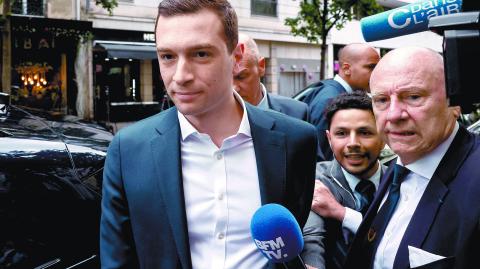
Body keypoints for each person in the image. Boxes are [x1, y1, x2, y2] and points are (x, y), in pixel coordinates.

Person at [99, 1, 318, 268]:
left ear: (236, 57)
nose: (180, 76)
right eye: (167, 56)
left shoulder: (295, 141)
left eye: (200, 54)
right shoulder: (128, 150)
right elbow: (118, 259)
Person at [344, 47, 480, 269]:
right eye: (381, 100)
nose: (394, 114)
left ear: (455, 104)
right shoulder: (397, 167)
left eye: (414, 97)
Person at [301, 92, 386, 269]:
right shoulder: (315, 180)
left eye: (364, 132)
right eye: (341, 133)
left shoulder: (398, 182)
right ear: (329, 139)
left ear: (384, 137)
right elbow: (312, 238)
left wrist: (342, 213)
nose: (353, 143)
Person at [303, 43, 380, 161]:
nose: (376, 73)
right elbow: (323, 158)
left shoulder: (330, 91)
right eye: (371, 67)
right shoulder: (330, 100)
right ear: (346, 69)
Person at [234, 33, 309, 121]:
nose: (233, 88)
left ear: (261, 66)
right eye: (225, 79)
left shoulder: (297, 112)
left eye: (241, 77)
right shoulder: (214, 117)